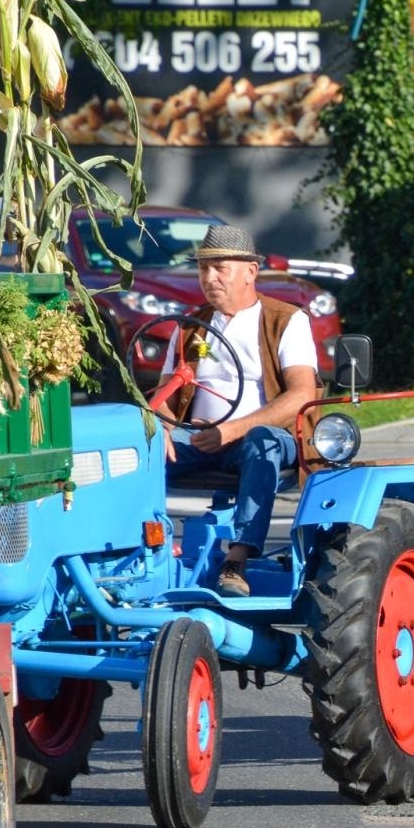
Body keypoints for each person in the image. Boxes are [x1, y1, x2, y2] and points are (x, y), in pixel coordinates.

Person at [163, 225, 320, 597]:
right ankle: (151, 546)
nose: (209, 277)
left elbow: (302, 394)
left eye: (220, 267)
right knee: (139, 451)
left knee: (261, 442)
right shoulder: (189, 327)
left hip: (265, 438)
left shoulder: (286, 320)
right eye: (203, 269)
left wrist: (232, 430)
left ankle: (237, 558)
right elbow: (166, 397)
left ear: (251, 271)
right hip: (199, 437)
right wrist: (163, 429)